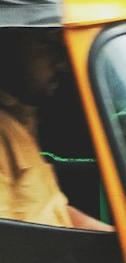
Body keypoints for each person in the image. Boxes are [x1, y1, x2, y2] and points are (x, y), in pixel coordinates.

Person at [0, 27, 110, 230]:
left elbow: (53, 210)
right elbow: (10, 246)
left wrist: (115, 243)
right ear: (7, 49)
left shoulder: (23, 118)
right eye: (45, 48)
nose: (60, 64)